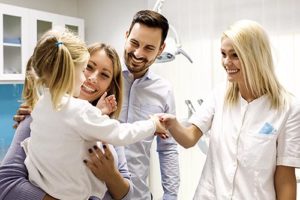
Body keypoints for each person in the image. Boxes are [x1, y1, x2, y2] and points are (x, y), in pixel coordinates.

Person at [0, 29, 165, 200]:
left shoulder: (44, 105)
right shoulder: (35, 114)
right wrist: (153, 124)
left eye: (104, 75)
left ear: (110, 85)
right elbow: (7, 183)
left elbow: (127, 194)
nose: (92, 78)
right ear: (67, 67)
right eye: (87, 68)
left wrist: (111, 175)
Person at [160, 20, 300, 200]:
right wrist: (172, 123)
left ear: (255, 56)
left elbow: (285, 176)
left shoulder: (288, 108)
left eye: (235, 55)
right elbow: (189, 138)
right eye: (223, 54)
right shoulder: (220, 94)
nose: (227, 62)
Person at [120, 10, 180, 199]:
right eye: (135, 43)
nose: (138, 53)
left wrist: (170, 196)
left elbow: (168, 148)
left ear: (161, 49)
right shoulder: (103, 77)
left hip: (138, 195)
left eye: (149, 48)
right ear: (126, 35)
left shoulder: (164, 91)